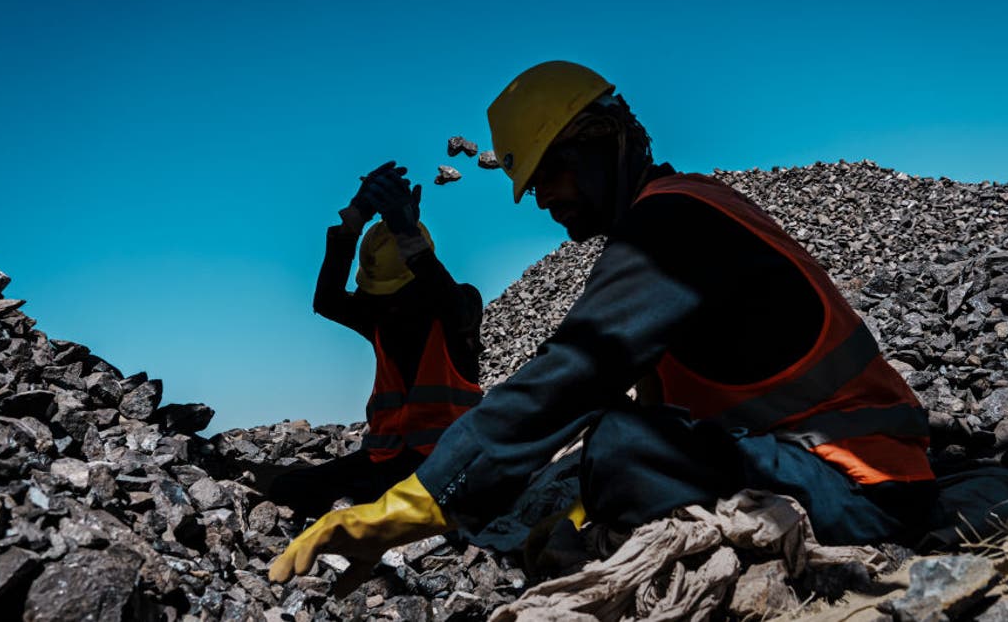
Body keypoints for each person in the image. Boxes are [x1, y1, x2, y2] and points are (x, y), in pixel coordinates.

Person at [269, 62, 938, 583]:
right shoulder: (668, 226)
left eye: (553, 172)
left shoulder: (672, 226)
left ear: (607, 142)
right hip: (838, 470)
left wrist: (412, 505)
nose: (545, 198)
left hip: (861, 490)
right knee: (601, 452)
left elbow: (572, 373)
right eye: (533, 185)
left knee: (615, 442)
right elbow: (657, 401)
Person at [263, 162, 483, 519]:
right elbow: (327, 301)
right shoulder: (384, 316)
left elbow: (440, 292)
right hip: (388, 460)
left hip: (450, 463)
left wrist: (399, 227)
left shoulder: (457, 308)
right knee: (290, 488)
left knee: (334, 499)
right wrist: (356, 219)